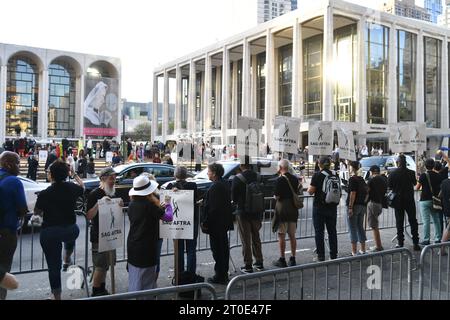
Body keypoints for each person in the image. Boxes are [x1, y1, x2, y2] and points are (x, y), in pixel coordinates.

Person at [33, 160, 85, 300]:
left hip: (51, 232)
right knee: (70, 235)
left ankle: (57, 296)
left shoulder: (44, 194)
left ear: (52, 175)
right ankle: (67, 257)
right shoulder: (72, 188)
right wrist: (74, 175)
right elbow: (82, 186)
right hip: (71, 229)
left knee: (53, 267)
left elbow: (37, 214)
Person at [127, 176, 173, 293]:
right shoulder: (150, 205)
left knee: (135, 279)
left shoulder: (132, 204)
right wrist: (168, 205)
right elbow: (168, 217)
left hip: (133, 245)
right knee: (147, 282)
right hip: (147, 247)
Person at [86, 167, 122, 296]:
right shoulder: (94, 193)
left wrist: (120, 205)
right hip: (98, 235)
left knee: (107, 265)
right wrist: (99, 203)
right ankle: (96, 292)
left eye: (115, 178)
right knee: (100, 266)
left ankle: (102, 288)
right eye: (111, 178)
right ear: (103, 179)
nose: (114, 181)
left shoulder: (113, 193)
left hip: (111, 234)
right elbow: (89, 215)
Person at [0, 152, 28, 300]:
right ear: (8, 164)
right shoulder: (14, 181)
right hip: (6, 233)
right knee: (3, 271)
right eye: (17, 163)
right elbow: (23, 208)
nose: (20, 166)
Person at [201, 163, 233, 285]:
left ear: (214, 173)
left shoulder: (216, 187)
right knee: (222, 249)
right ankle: (222, 274)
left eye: (208, 171)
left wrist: (205, 222)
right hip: (222, 223)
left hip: (216, 225)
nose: (207, 173)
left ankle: (220, 275)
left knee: (218, 251)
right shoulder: (223, 184)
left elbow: (213, 209)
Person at [165, 166, 199, 278]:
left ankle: (179, 274)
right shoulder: (192, 186)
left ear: (175, 175)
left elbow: (165, 201)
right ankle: (190, 274)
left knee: (178, 249)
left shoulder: (170, 186)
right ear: (186, 175)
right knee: (191, 250)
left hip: (177, 222)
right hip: (190, 221)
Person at [232, 161, 264, 273]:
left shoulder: (238, 178)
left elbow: (234, 198)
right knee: (256, 237)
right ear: (250, 165)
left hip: (243, 212)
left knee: (246, 239)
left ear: (241, 165)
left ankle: (248, 265)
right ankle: (259, 262)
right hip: (257, 211)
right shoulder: (258, 177)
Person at [307, 157, 339, 262]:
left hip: (319, 207)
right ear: (330, 164)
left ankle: (321, 256)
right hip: (332, 207)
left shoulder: (317, 175)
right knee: (332, 231)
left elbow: (311, 191)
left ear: (319, 164)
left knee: (319, 232)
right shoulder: (335, 175)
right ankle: (333, 255)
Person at [388, 155, 421, 251]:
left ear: (398, 162)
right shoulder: (411, 173)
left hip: (398, 200)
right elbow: (415, 183)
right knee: (413, 221)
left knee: (399, 221)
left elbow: (389, 186)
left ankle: (400, 242)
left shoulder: (392, 174)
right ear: (405, 162)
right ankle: (415, 242)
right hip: (409, 199)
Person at [273, 159, 300, 268]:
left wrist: (276, 196)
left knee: (281, 235)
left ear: (280, 167)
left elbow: (277, 196)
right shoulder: (295, 179)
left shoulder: (279, 180)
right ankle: (293, 258)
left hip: (283, 210)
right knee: (292, 235)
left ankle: (282, 259)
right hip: (293, 209)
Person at [416, 159, 442, 245]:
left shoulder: (423, 175)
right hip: (435, 200)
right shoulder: (438, 175)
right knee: (436, 219)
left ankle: (426, 239)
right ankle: (438, 238)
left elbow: (417, 187)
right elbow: (440, 188)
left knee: (426, 221)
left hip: (424, 200)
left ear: (425, 166)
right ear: (433, 166)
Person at [346, 161, 368, 256]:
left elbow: (353, 193)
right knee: (360, 227)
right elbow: (367, 191)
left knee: (352, 228)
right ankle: (363, 249)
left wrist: (350, 207)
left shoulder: (352, 179)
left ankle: (354, 251)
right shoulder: (361, 179)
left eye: (350, 167)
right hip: (362, 206)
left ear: (352, 168)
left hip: (354, 206)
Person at [367, 165, 388, 252]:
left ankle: (378, 246)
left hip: (373, 203)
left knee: (374, 225)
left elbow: (367, 191)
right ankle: (378, 245)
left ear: (371, 172)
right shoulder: (384, 179)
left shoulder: (371, 180)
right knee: (375, 225)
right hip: (380, 203)